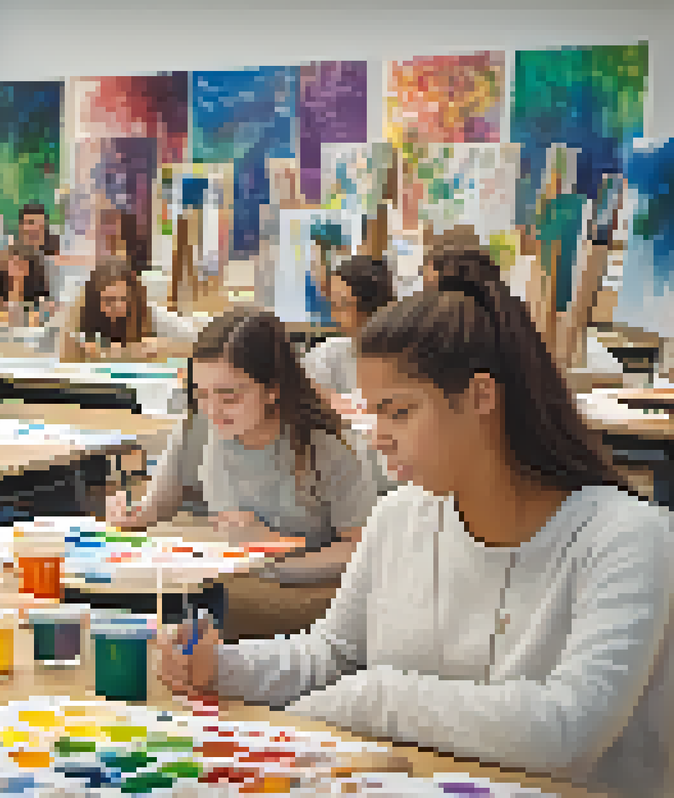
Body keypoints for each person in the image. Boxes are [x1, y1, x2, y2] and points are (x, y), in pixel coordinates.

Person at [156, 276, 671, 798]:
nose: (378, 436)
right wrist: (223, 667)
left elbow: (568, 729)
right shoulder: (400, 516)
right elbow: (332, 654)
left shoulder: (624, 537)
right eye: (374, 411)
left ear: (481, 396)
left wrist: (371, 698)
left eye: (398, 411)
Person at [107, 307, 380, 639]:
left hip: (308, 600)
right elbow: (164, 499)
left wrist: (273, 550)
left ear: (272, 390)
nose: (213, 410)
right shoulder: (201, 425)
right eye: (201, 394)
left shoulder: (329, 446)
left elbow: (361, 548)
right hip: (231, 583)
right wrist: (131, 515)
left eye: (229, 396)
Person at [301, 255, 396, 411]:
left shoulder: (404, 359)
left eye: (341, 304)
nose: (333, 314)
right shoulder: (326, 355)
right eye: (332, 303)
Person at [57, 257, 198, 361]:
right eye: (109, 300)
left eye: (123, 299)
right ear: (94, 300)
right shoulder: (82, 314)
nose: (117, 306)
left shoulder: (151, 316)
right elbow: (64, 357)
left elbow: (198, 345)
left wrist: (165, 347)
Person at [0, 244, 54, 326]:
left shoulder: (38, 287)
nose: (15, 268)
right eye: (11, 263)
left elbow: (44, 313)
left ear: (27, 267)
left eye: (18, 264)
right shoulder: (3, 283)